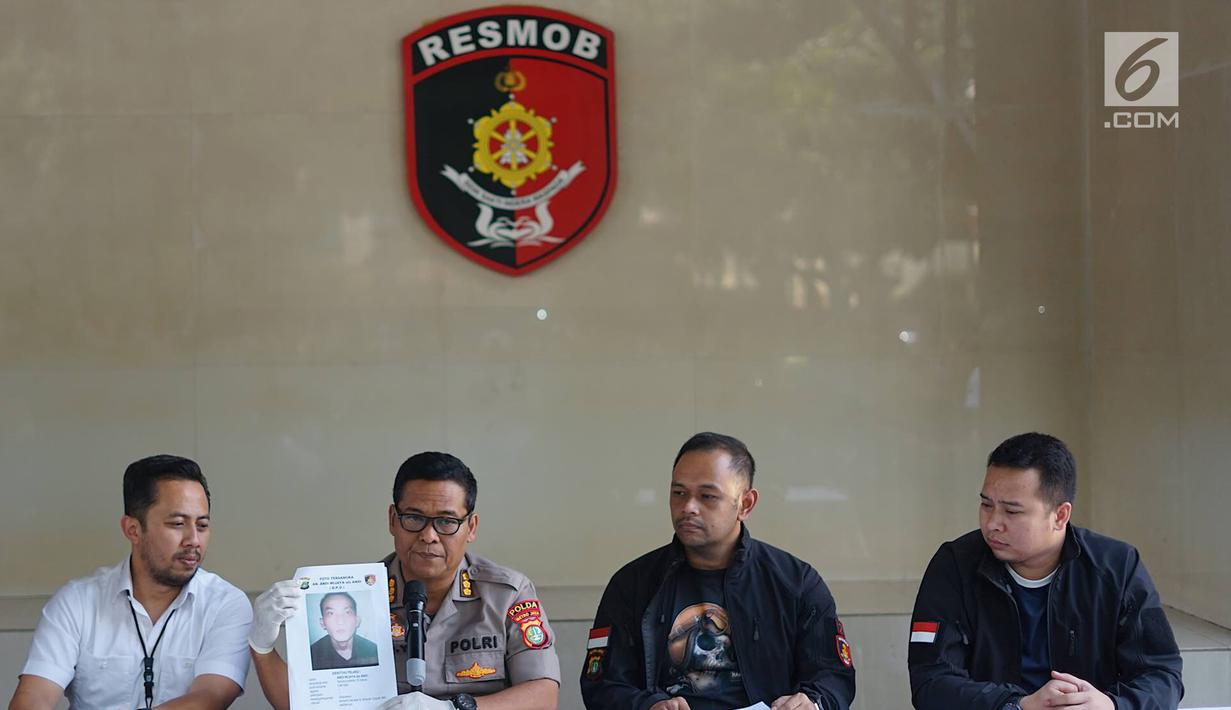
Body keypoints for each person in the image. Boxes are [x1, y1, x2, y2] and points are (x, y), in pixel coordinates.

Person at [248, 452, 560, 710]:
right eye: (414, 518)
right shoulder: (354, 595)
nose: (428, 536)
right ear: (392, 521)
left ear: (471, 527)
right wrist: (261, 645)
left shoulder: (506, 594)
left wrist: (456, 708)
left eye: (446, 522)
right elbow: (305, 705)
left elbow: (544, 694)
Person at [907, 432, 1184, 710]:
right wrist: (1017, 705)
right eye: (986, 505)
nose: (992, 523)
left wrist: (1113, 706)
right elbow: (930, 682)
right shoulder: (954, 565)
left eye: (1012, 512)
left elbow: (1162, 674)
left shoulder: (1117, 566)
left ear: (1060, 515)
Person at [581, 432, 856, 710]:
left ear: (745, 504)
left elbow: (833, 675)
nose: (688, 507)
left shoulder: (795, 582)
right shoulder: (633, 584)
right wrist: (647, 706)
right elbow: (602, 686)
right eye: (679, 493)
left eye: (707, 496)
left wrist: (812, 702)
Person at [7, 455, 252, 710]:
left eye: (202, 525)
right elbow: (33, 698)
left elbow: (209, 699)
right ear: (133, 529)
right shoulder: (77, 602)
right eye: (178, 524)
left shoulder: (226, 604)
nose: (193, 539)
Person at [309, 592, 379, 670]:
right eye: (331, 613)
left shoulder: (374, 651)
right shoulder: (311, 655)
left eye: (347, 612)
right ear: (322, 623)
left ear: (357, 621)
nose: (340, 621)